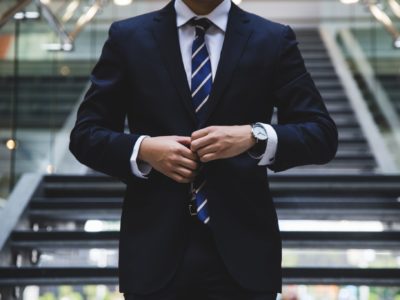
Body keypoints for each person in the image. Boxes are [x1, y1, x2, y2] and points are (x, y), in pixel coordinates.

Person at [69, 0, 338, 299]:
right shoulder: (128, 37)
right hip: (153, 254)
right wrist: (144, 149)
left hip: (245, 256)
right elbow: (85, 135)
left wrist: (254, 135)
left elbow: (321, 134)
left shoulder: (273, 38)